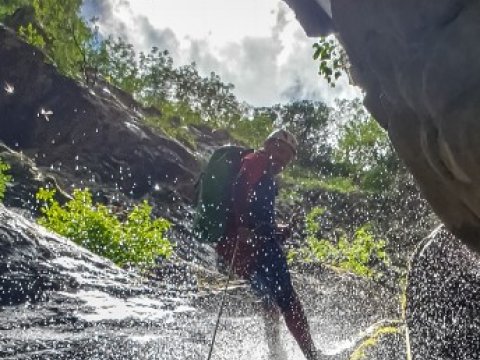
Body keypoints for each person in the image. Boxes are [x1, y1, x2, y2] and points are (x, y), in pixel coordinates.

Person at [215, 129, 324, 360]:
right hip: (255, 246)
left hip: (248, 247)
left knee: (269, 299)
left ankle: (275, 352)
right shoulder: (257, 161)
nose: (284, 159)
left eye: (289, 156)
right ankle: (312, 355)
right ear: (268, 144)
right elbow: (239, 188)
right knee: (288, 299)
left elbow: (257, 214)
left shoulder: (263, 170)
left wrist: (277, 230)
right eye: (281, 150)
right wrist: (244, 226)